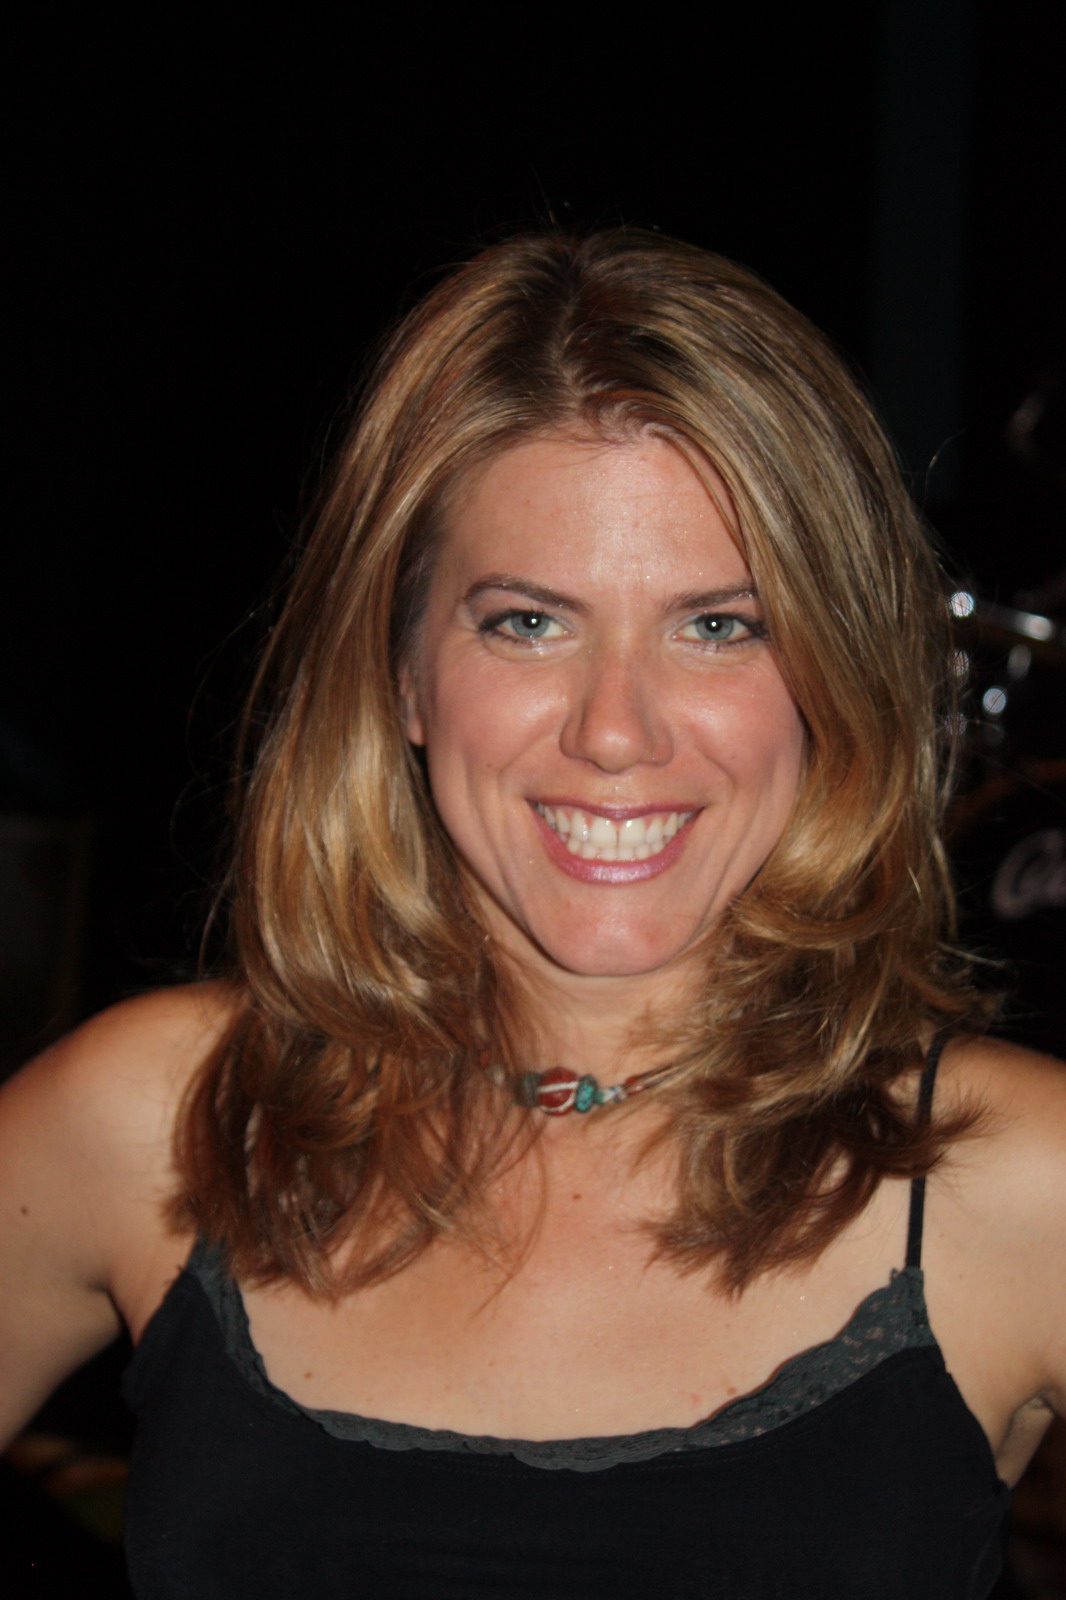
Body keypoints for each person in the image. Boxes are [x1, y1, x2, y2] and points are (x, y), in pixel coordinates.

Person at [2, 229, 1064, 1599]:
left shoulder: (1016, 1182)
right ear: (399, 670)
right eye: (527, 622)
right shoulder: (160, 1121)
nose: (615, 731)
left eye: (719, 626)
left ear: (832, 677)